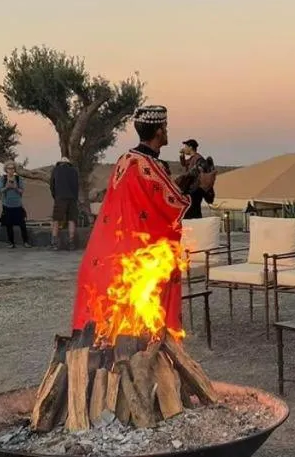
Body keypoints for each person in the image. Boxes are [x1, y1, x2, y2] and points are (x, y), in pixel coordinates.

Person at [72, 105, 188, 332]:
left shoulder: (125, 160)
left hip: (115, 251)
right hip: (142, 255)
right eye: (165, 128)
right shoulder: (150, 166)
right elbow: (173, 205)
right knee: (143, 319)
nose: (167, 132)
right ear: (159, 132)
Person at [178, 139, 217, 219]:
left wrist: (183, 178)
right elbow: (184, 163)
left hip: (196, 190)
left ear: (190, 147)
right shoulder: (193, 158)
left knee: (193, 211)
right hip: (191, 189)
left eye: (185, 147)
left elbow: (197, 172)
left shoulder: (198, 159)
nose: (184, 149)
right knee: (191, 211)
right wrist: (182, 155)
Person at [50, 156, 80, 250]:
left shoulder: (56, 170)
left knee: (56, 220)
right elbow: (76, 186)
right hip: (72, 198)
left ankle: (54, 243)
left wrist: (55, 196)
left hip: (60, 198)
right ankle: (71, 242)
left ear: (60, 163)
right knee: (71, 220)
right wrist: (75, 197)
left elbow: (52, 185)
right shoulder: (74, 171)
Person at [0, 164, 31, 248]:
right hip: (7, 205)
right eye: (9, 168)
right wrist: (7, 187)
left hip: (17, 205)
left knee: (22, 224)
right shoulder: (3, 179)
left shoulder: (18, 178)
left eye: (12, 168)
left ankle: (26, 242)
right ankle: (11, 243)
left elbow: (21, 191)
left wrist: (15, 187)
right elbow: (0, 190)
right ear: (6, 169)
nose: (11, 170)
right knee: (9, 225)